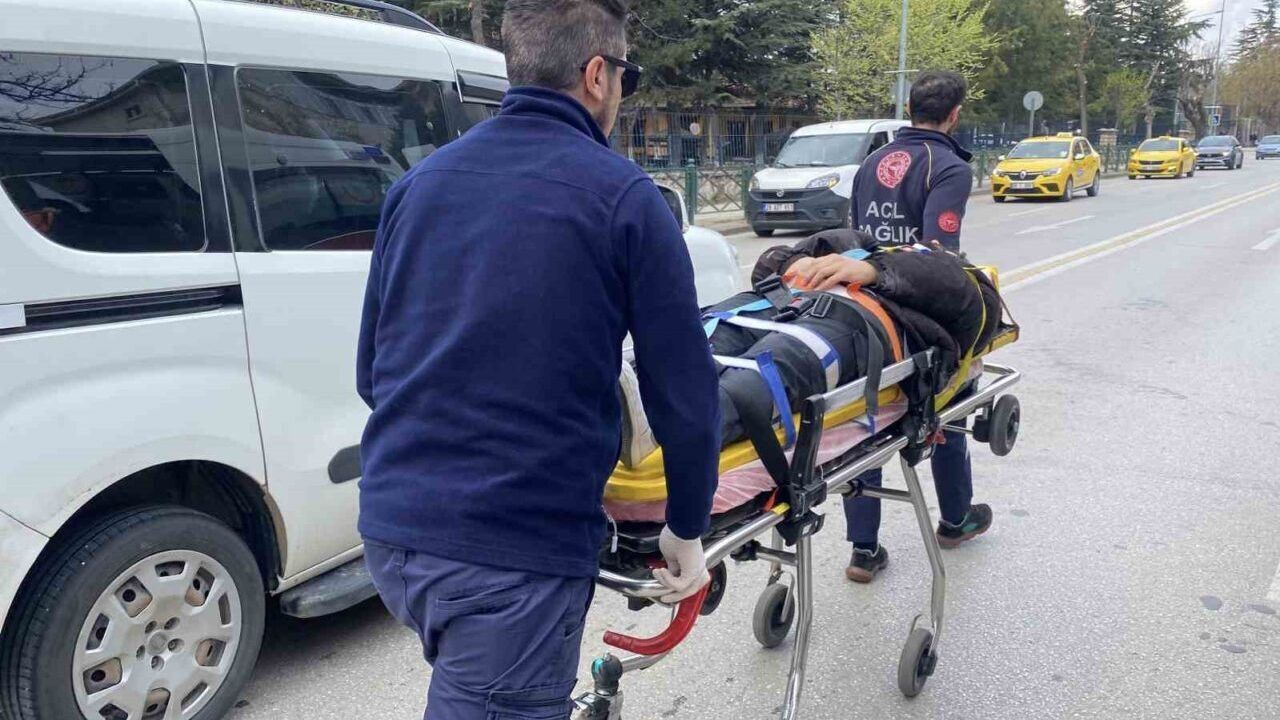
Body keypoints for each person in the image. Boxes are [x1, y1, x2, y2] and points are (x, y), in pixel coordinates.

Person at [354, 1, 720, 717]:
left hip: (393, 532)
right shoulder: (625, 198)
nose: (622, 92)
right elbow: (684, 392)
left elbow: (373, 370)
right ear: (596, 74)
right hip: (511, 556)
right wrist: (685, 526)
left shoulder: (419, 185)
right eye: (626, 77)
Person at [788, 70, 993, 584]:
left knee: (867, 418)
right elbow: (936, 252)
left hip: (861, 305)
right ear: (955, 115)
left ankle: (863, 551)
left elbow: (856, 238)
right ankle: (955, 519)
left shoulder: (873, 161)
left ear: (909, 108)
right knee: (949, 402)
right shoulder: (948, 168)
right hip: (913, 309)